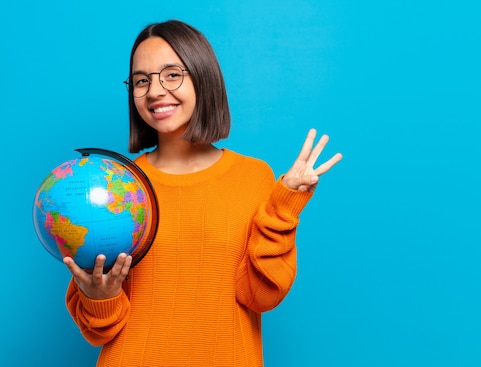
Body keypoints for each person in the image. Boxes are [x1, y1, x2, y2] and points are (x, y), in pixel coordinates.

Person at [62, 19, 342, 367]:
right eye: (141, 81)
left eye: (172, 75)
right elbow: (99, 331)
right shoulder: (117, 186)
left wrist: (284, 205)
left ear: (202, 77)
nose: (154, 91)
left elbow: (260, 296)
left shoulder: (253, 177)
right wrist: (99, 296)